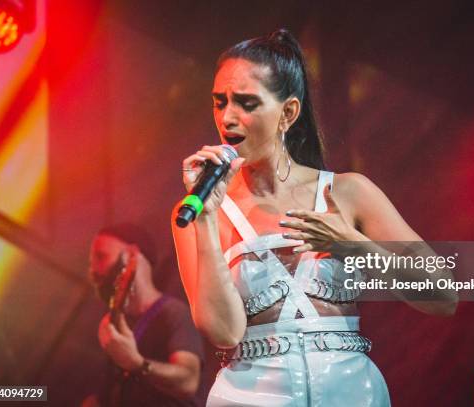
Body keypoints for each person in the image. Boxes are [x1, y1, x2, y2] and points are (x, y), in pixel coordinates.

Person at [172, 29, 457, 406]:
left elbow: (443, 294)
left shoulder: (348, 192)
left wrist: (351, 244)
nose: (227, 117)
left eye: (246, 103)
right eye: (219, 101)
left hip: (351, 393)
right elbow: (223, 332)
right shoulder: (196, 209)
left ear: (288, 112)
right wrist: (207, 219)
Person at [83, 224, 204, 407]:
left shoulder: (173, 313)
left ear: (131, 255)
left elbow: (188, 381)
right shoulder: (118, 323)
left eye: (101, 257)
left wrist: (138, 364)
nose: (93, 270)